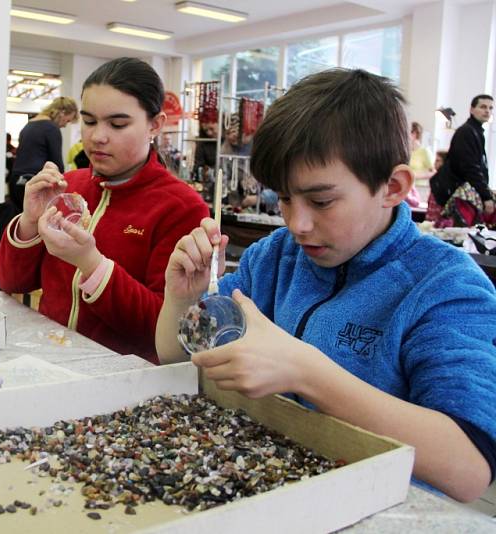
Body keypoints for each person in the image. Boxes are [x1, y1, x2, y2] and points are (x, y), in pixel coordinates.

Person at [156, 69, 496, 502]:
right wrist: (182, 298)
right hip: (264, 493)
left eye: (321, 201)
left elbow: (469, 469)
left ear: (392, 187)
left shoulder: (444, 287)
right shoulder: (275, 258)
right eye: (283, 197)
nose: (296, 224)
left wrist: (308, 372)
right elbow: (174, 355)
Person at [0, 57, 209, 363]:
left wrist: (91, 264)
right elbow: (12, 283)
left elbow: (159, 331)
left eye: (118, 124)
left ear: (155, 124)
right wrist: (29, 221)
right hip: (49, 360)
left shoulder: (182, 208)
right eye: (90, 121)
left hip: (121, 383)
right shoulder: (67, 186)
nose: (97, 137)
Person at [431, 94, 494, 225]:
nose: (487, 111)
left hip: (463, 194)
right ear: (471, 109)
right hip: (458, 196)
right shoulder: (466, 132)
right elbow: (470, 167)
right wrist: (486, 196)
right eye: (483, 107)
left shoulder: (476, 132)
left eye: (490, 108)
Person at [8, 97, 78, 208]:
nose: (65, 125)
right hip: (35, 181)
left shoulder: (29, 125)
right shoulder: (51, 128)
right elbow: (57, 163)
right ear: (62, 112)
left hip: (16, 180)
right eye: (67, 120)